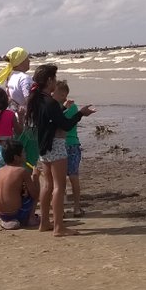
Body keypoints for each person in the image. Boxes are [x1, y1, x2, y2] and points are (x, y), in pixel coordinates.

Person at [26, 64, 95, 236]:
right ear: (49, 80)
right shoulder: (50, 102)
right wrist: (80, 114)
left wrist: (63, 108)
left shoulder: (37, 100)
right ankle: (58, 227)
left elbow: (51, 119)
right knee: (59, 186)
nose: (55, 82)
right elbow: (65, 124)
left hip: (43, 147)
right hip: (55, 145)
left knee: (47, 185)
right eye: (54, 79)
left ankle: (45, 223)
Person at [0, 47, 37, 167]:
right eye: (27, 59)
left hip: (16, 119)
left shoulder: (10, 77)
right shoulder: (24, 78)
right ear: (20, 62)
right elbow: (29, 99)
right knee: (31, 155)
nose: (29, 61)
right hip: (29, 122)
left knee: (19, 153)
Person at [55, 79, 85, 217]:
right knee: (72, 177)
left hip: (65, 144)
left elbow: (61, 124)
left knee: (62, 179)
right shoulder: (71, 107)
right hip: (71, 144)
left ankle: (68, 208)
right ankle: (76, 207)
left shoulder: (60, 108)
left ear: (62, 95)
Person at [0, 141, 40, 230]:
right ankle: (31, 218)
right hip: (15, 213)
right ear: (16, 157)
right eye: (23, 153)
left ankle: (5, 221)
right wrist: (35, 177)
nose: (25, 155)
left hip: (1, 214)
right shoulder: (22, 171)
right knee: (35, 189)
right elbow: (34, 194)